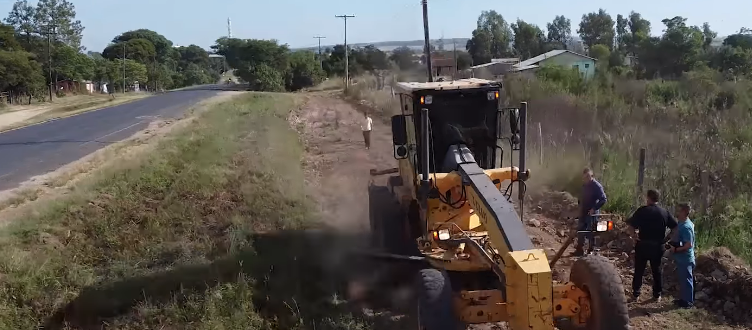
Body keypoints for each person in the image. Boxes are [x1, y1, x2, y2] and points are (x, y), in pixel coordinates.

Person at [626, 189, 678, 302]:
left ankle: (636, 294)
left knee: (639, 270)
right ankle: (657, 294)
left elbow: (630, 227)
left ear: (648, 198)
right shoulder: (664, 212)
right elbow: (675, 228)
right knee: (657, 270)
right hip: (658, 246)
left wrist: (634, 236)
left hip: (643, 244)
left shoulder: (642, 211)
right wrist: (667, 239)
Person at [573, 167, 608, 256]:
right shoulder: (584, 185)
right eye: (584, 177)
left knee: (592, 232)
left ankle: (591, 251)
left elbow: (603, 199)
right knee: (580, 230)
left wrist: (594, 209)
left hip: (592, 213)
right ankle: (579, 250)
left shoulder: (597, 186)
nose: (586, 179)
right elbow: (581, 198)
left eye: (588, 177)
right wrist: (579, 207)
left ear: (592, 176)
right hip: (583, 211)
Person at [670, 202, 695, 308]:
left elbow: (688, 245)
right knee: (683, 280)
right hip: (681, 259)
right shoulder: (681, 223)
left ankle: (688, 302)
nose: (677, 212)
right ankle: (683, 300)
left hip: (685, 259)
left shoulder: (686, 227)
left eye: (679, 210)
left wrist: (675, 249)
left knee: (687, 280)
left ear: (684, 212)